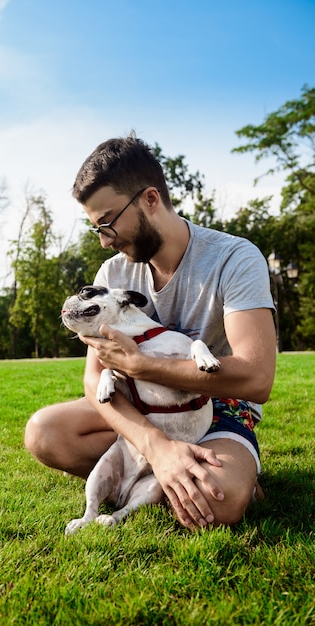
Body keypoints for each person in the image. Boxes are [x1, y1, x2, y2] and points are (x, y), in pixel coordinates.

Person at [24, 135, 276, 529]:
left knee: (218, 502)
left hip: (215, 408)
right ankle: (162, 471)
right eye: (97, 229)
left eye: (108, 222)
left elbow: (257, 379)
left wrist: (142, 366)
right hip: (137, 404)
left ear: (150, 200)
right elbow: (94, 379)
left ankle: (214, 471)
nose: (105, 241)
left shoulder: (235, 258)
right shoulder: (113, 274)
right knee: (44, 434)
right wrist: (155, 446)